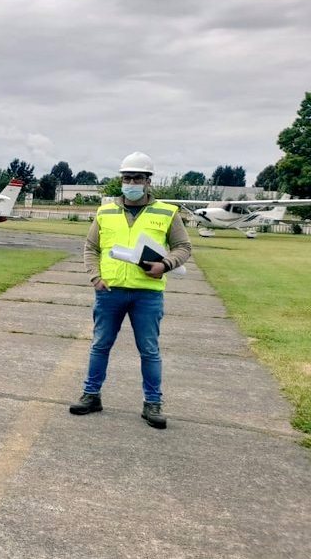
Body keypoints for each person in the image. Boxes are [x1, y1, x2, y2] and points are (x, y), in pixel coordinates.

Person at [69, 151, 191, 429]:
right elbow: (91, 247)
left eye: (137, 177)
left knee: (149, 350)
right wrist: (95, 277)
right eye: (126, 178)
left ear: (148, 181)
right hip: (109, 291)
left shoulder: (167, 212)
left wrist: (165, 265)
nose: (131, 182)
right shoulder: (105, 211)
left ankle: (152, 402)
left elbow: (184, 248)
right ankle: (91, 394)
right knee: (100, 345)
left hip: (146, 293)